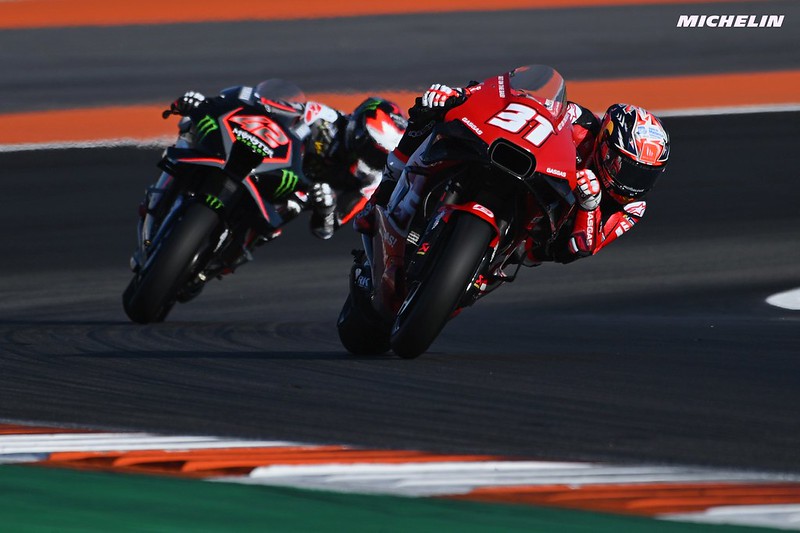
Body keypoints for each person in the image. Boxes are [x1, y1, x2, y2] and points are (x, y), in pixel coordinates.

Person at [354, 65, 670, 266]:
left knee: (518, 257)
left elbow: (581, 247)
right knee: (432, 111)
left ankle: (464, 276)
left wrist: (589, 206)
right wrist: (462, 96)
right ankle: (386, 189)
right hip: (530, 178)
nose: (633, 184)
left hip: (539, 237)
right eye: (629, 169)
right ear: (606, 146)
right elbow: (524, 102)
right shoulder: (581, 123)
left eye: (646, 176)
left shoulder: (631, 208)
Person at [163, 81, 407, 240]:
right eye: (370, 147)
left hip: (287, 195)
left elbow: (326, 229)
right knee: (189, 129)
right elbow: (262, 106)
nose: (371, 157)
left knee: (289, 209)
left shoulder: (371, 181)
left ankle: (235, 247)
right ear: (357, 128)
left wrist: (326, 207)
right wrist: (210, 104)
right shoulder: (323, 117)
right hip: (265, 163)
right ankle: (165, 189)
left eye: (381, 156)